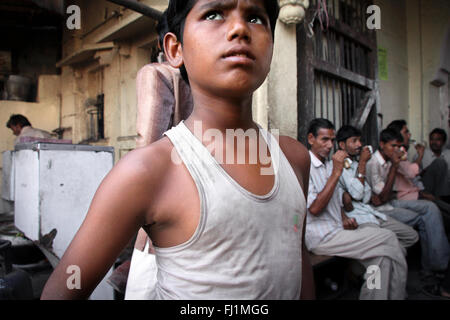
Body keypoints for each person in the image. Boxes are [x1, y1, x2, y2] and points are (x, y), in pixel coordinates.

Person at [41, 0, 315, 299]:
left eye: (256, 18)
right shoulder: (147, 172)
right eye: (213, 14)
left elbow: (297, 262)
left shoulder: (294, 158)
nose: (239, 29)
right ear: (175, 49)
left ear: (271, 46)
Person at [107, 10, 194, 298]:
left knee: (146, 285)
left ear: (165, 44)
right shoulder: (207, 84)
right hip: (199, 204)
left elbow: (148, 142)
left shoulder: (155, 74)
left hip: (163, 198)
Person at [305, 118, 407, 300]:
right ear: (311, 139)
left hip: (337, 229)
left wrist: (343, 216)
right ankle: (398, 296)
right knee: (390, 239)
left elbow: (339, 200)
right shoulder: (306, 167)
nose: (330, 145)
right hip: (321, 237)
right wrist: (337, 173)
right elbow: (314, 209)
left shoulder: (329, 165)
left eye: (332, 140)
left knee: (380, 260)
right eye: (324, 140)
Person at [366, 128, 450, 277]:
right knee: (427, 212)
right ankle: (436, 266)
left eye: (399, 146)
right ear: (382, 144)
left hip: (392, 201)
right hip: (384, 208)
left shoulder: (390, 160)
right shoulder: (374, 163)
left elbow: (387, 194)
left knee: (431, 210)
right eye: (393, 146)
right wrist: (395, 167)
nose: (396, 150)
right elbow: (384, 197)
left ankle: (432, 266)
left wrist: (389, 190)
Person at [336, 125, 418, 250]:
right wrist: (363, 164)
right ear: (342, 145)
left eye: (360, 140)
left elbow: (366, 196)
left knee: (412, 236)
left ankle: (392, 253)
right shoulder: (339, 166)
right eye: (354, 141)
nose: (359, 144)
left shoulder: (356, 164)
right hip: (359, 218)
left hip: (371, 212)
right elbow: (358, 194)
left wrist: (353, 195)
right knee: (388, 241)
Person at [416, 128, 450, 202]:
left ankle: (442, 200)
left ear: (443, 142)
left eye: (438, 140)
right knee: (440, 162)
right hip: (426, 186)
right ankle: (441, 200)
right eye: (431, 139)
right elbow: (414, 176)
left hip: (444, 187)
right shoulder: (422, 154)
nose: (434, 142)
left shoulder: (448, 154)